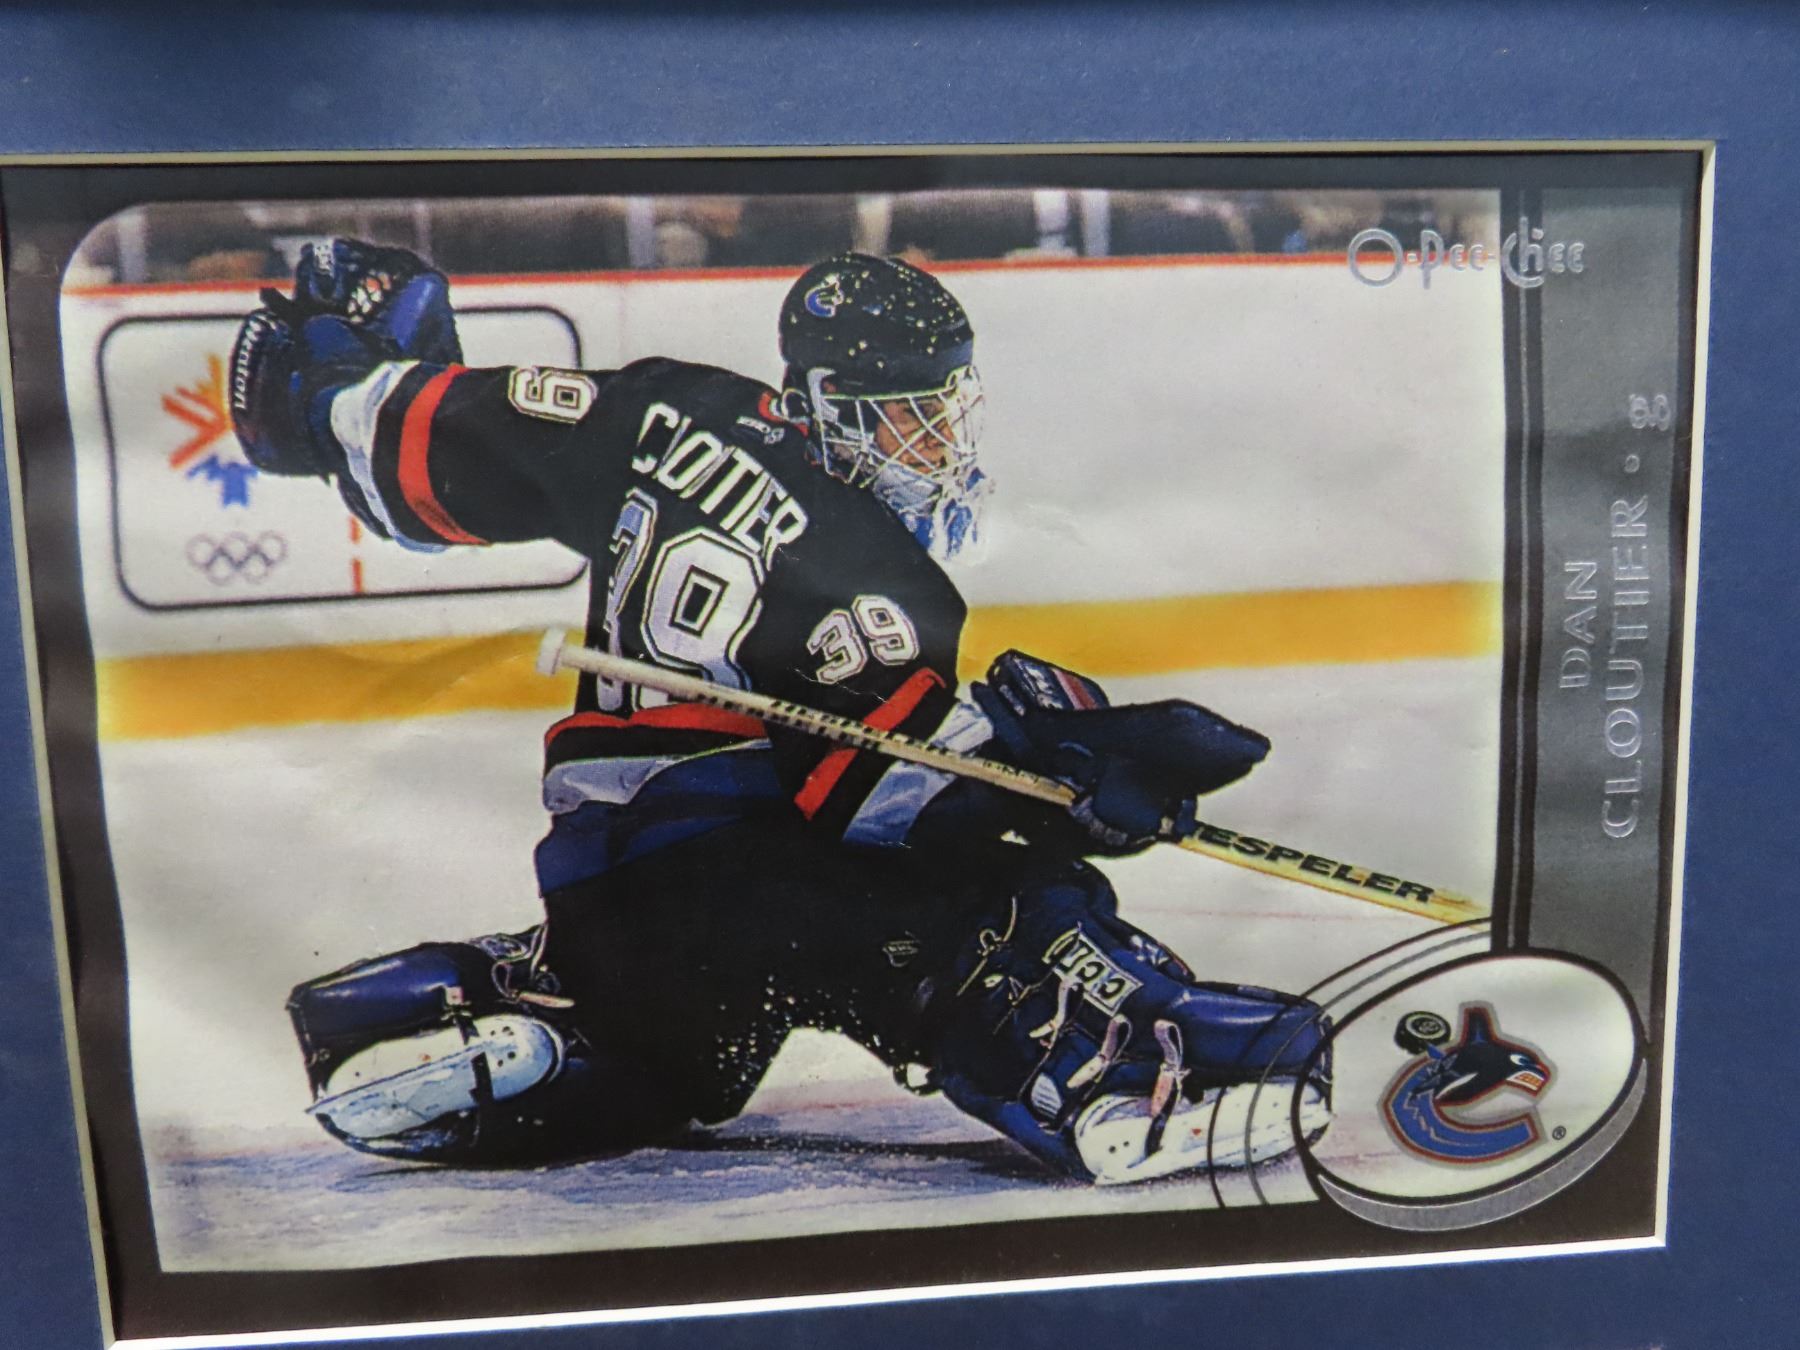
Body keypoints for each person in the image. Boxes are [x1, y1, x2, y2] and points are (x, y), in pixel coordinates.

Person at [231, 238, 1331, 1185]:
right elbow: (877, 797)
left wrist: (332, 373)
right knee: (989, 899)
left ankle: (520, 1010)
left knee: (675, 1072)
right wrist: (1068, 794)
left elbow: (414, 441)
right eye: (912, 419)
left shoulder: (662, 409)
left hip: (603, 890)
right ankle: (1109, 1061)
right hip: (741, 883)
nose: (936, 446)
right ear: (832, 403)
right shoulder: (870, 565)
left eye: (942, 414)